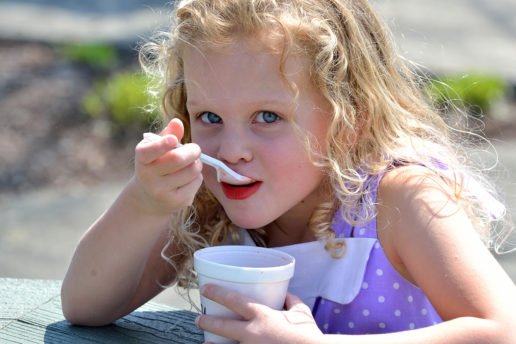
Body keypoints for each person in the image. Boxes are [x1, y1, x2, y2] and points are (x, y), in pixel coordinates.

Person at [61, 0, 516, 342]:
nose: (232, 150)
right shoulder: (203, 201)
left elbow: (501, 329)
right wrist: (144, 203)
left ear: (347, 122)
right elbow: (86, 305)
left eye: (268, 117)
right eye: (210, 118)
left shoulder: (399, 198)